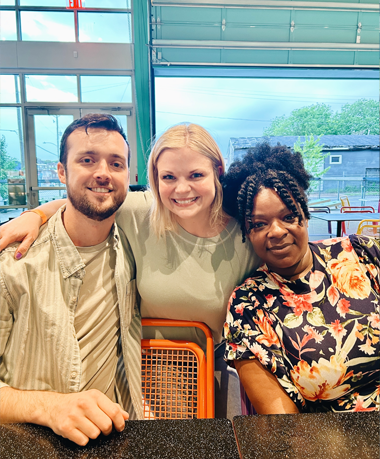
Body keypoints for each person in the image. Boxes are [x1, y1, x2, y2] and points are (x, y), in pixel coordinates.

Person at [0, 123, 260, 419]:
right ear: (155, 178)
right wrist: (34, 215)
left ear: (218, 170)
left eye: (196, 175)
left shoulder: (245, 236)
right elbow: (87, 201)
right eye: (168, 177)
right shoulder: (144, 212)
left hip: (211, 367)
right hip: (149, 364)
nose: (182, 188)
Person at [0, 114, 143, 446]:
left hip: (111, 437)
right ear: (62, 171)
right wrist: (51, 408)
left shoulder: (134, 241)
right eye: (87, 160)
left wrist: (38, 211)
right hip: (26, 443)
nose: (103, 173)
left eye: (116, 163)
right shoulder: (13, 263)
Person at [221, 142, 380, 414]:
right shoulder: (248, 305)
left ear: (304, 216)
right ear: (247, 233)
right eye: (259, 224)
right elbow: (284, 425)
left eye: (288, 216)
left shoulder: (361, 252)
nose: (277, 231)